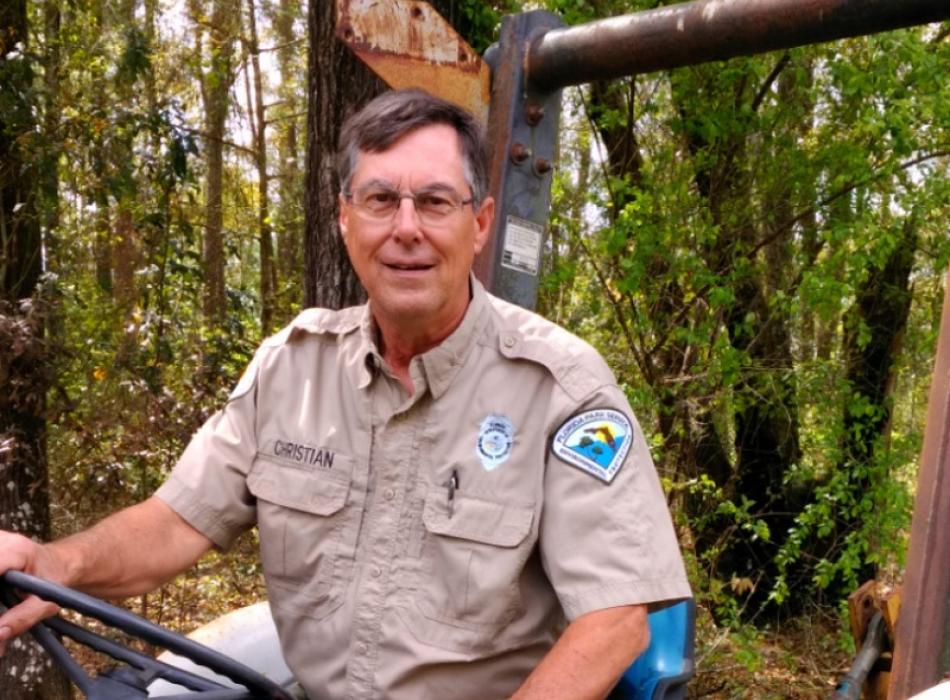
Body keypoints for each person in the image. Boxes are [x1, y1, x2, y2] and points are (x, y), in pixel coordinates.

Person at [0, 89, 690, 699]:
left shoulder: (560, 387)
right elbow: (176, 521)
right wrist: (54, 562)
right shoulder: (290, 370)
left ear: (479, 224)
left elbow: (615, 622)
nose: (407, 227)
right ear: (345, 219)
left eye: (436, 201)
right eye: (381, 199)